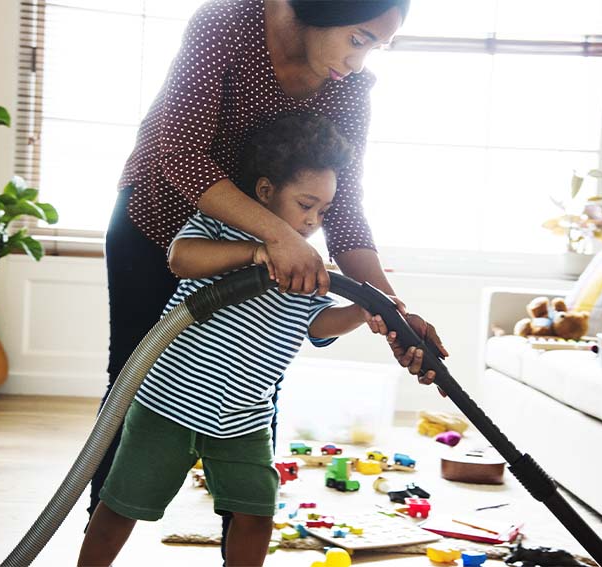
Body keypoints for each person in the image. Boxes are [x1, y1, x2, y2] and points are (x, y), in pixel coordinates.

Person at [91, 0, 449, 555]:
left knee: (257, 388)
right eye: (358, 38)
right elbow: (180, 152)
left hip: (273, 241)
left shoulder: (349, 89)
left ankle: (242, 537)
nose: (359, 61)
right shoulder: (227, 26)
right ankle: (103, 534)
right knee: (132, 384)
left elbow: (345, 207)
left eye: (375, 47)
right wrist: (276, 240)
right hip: (162, 218)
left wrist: (391, 311)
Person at [79, 114, 399, 567]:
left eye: (322, 212)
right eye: (305, 204)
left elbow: (317, 325)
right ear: (266, 191)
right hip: (167, 407)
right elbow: (181, 257)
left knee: (255, 515)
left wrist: (362, 310)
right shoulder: (220, 227)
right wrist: (258, 252)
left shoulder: (309, 264)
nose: (311, 221)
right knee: (122, 507)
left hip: (244, 419)